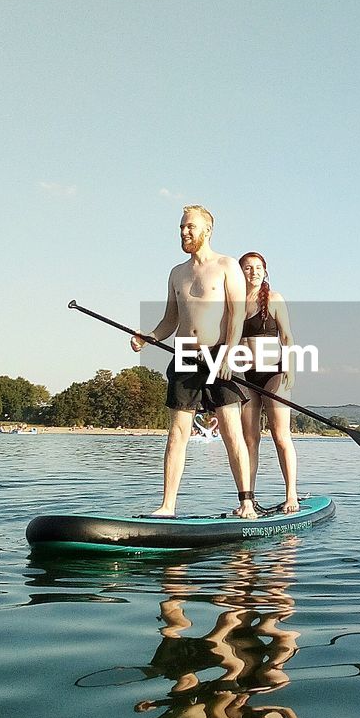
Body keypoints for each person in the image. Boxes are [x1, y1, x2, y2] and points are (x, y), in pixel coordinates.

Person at [132, 206, 257, 518]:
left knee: (231, 431)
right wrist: (147, 336)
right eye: (181, 227)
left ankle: (246, 503)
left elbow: (237, 315)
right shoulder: (177, 273)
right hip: (185, 352)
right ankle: (167, 506)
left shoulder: (228, 266)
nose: (184, 232)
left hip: (220, 354)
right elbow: (170, 321)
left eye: (190, 227)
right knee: (177, 431)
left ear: (207, 231)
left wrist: (229, 353)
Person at [238, 252, 299, 513]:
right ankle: (247, 500)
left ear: (265, 271)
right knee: (249, 439)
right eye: (248, 268)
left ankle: (291, 495)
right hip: (246, 376)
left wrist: (291, 368)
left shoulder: (273, 299)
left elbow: (287, 336)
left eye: (258, 267)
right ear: (239, 272)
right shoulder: (233, 304)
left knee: (280, 436)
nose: (253, 272)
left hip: (275, 373)